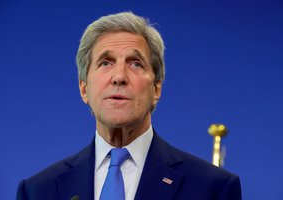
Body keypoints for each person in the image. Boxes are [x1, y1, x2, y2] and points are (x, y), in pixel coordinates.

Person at [17, 12, 242, 200]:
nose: (119, 77)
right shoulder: (38, 191)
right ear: (84, 89)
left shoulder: (213, 188)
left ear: (156, 89)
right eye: (106, 63)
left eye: (135, 63)